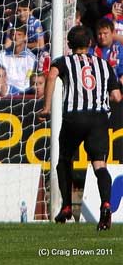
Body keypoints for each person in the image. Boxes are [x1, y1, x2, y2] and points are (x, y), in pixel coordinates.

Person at [38, 25, 122, 230]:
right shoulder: (103, 64)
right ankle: (106, 205)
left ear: (69, 45)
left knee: (64, 159)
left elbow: (51, 76)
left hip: (74, 118)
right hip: (98, 119)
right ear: (90, 44)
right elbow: (117, 97)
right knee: (99, 165)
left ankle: (66, 206)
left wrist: (46, 107)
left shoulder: (63, 61)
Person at [0, 25, 37, 91]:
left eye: (19, 34)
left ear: (25, 37)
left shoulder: (31, 59)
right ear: (10, 37)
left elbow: (28, 81)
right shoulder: (1, 56)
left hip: (23, 94)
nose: (16, 38)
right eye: (13, 34)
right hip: (5, 93)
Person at [89, 18, 123, 86]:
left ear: (112, 33)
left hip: (116, 88)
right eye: (99, 34)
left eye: (105, 33)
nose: (102, 37)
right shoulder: (91, 51)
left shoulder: (120, 50)